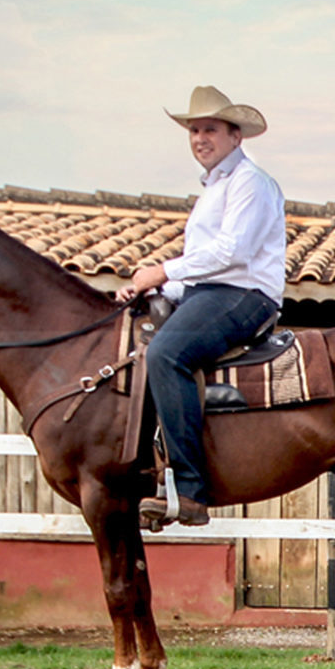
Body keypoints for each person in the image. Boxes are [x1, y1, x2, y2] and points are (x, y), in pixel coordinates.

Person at [115, 85, 288, 529]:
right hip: (209, 294)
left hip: (245, 296)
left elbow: (233, 251)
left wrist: (161, 271)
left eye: (210, 129)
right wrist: (155, 290)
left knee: (166, 354)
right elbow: (199, 271)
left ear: (236, 136)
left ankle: (190, 490)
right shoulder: (213, 188)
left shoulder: (250, 182)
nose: (200, 139)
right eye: (194, 131)